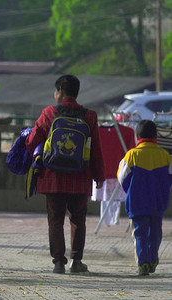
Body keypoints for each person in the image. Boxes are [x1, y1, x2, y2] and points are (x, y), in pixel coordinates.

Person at [25, 74, 105, 274]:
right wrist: (99, 176)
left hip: (53, 176)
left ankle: (59, 262)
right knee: (78, 219)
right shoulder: (90, 116)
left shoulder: (49, 113)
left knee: (55, 219)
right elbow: (96, 150)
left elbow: (32, 142)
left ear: (60, 90)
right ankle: (76, 262)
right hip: (81, 176)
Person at [117, 120, 172, 276]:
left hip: (137, 202)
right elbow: (170, 177)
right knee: (155, 232)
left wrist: (131, 190)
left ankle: (143, 263)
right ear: (156, 136)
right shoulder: (165, 155)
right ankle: (153, 258)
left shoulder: (132, 155)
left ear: (137, 136)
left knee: (139, 233)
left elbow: (121, 177)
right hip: (157, 201)